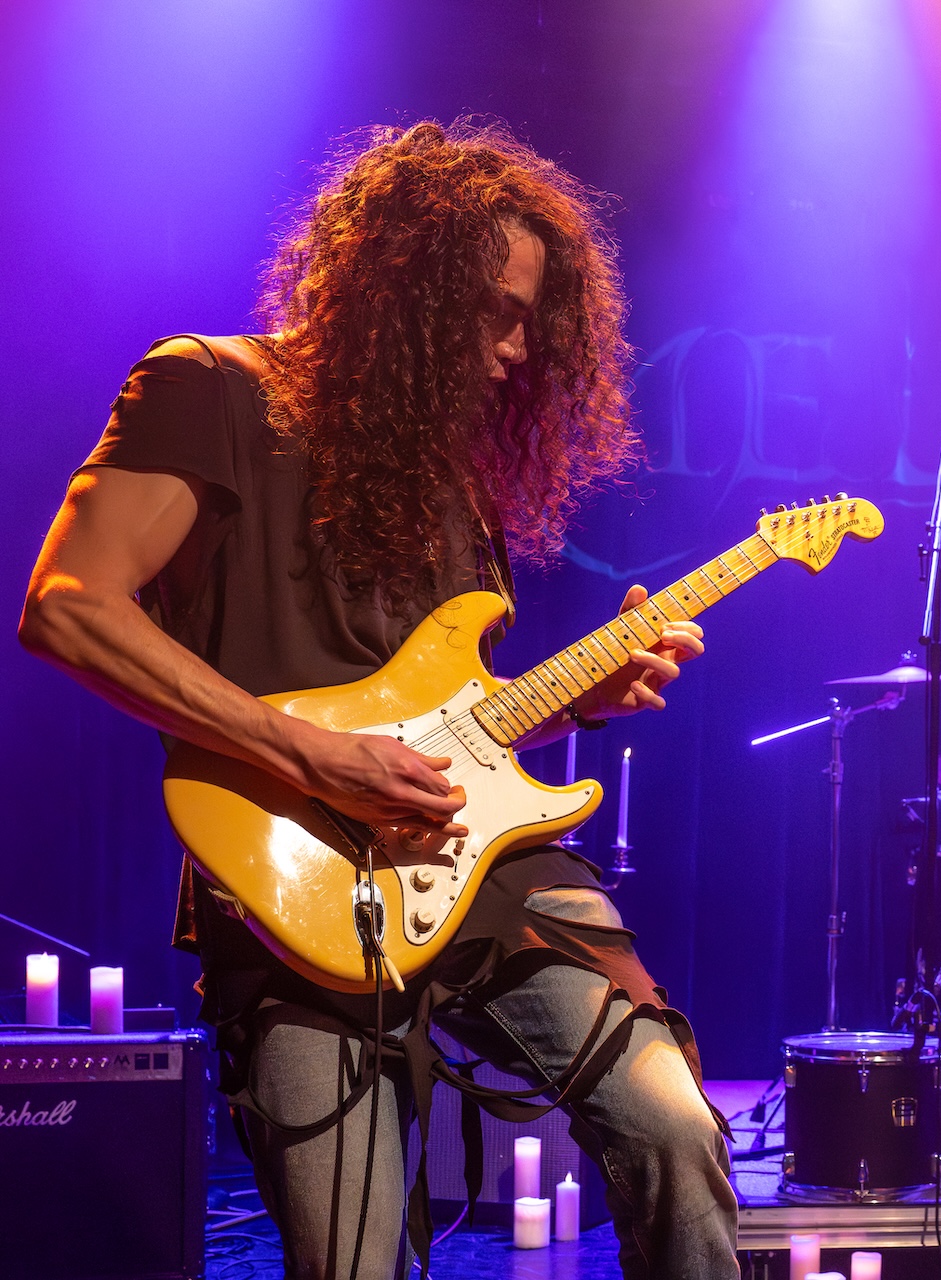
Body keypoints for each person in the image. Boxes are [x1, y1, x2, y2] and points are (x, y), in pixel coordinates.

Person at [19, 121, 738, 1279]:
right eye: (495, 312)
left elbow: (441, 726)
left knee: (675, 1126)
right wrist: (309, 755)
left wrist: (576, 705)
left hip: (483, 874)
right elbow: (68, 605)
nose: (518, 349)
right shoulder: (209, 386)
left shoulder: (456, 475)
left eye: (532, 321)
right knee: (350, 1259)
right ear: (404, 285)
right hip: (291, 883)